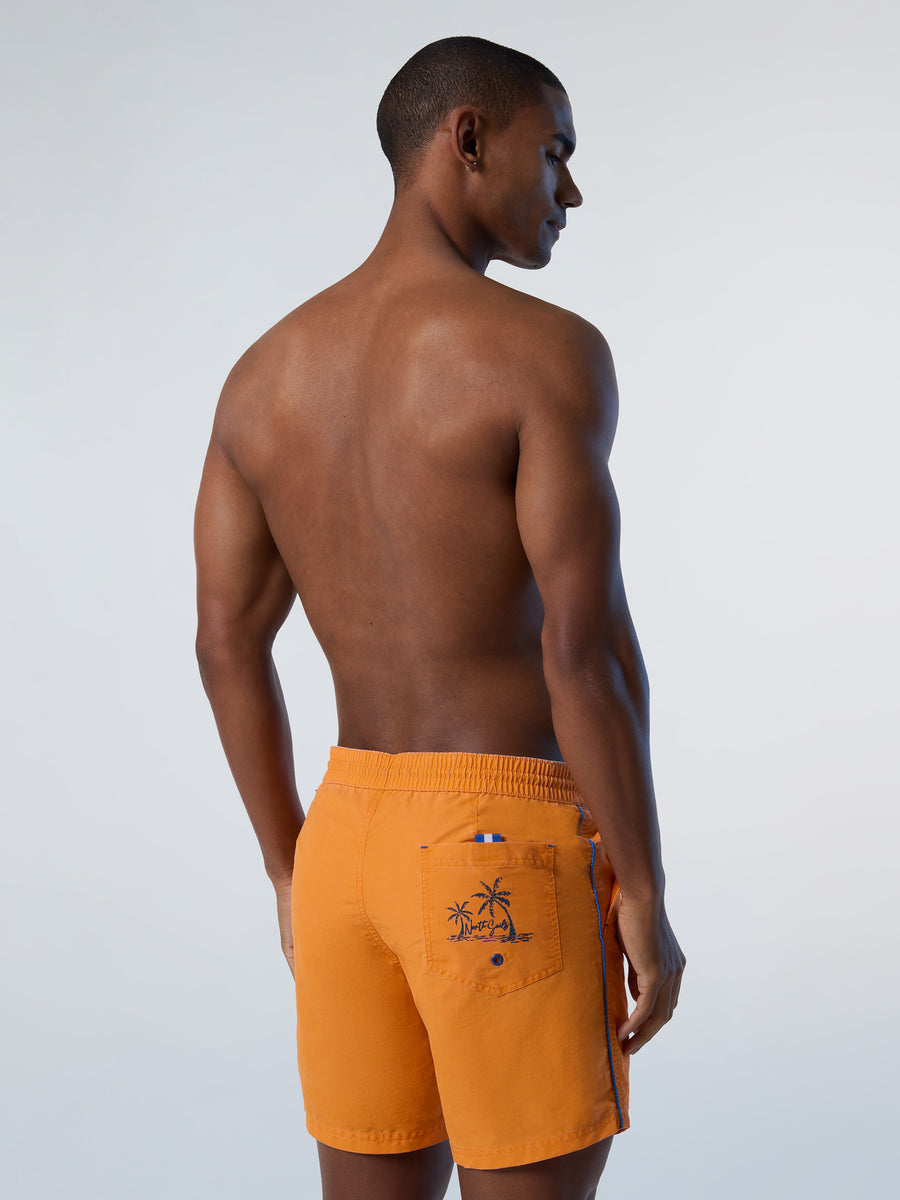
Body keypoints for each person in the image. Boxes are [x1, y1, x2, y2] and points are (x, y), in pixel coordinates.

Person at [194, 34, 685, 1200]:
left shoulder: (262, 375)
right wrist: (646, 889)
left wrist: (287, 866)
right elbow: (582, 652)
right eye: (554, 152)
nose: (570, 191)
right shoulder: (544, 355)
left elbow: (224, 643)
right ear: (468, 138)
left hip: (341, 848)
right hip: (495, 841)